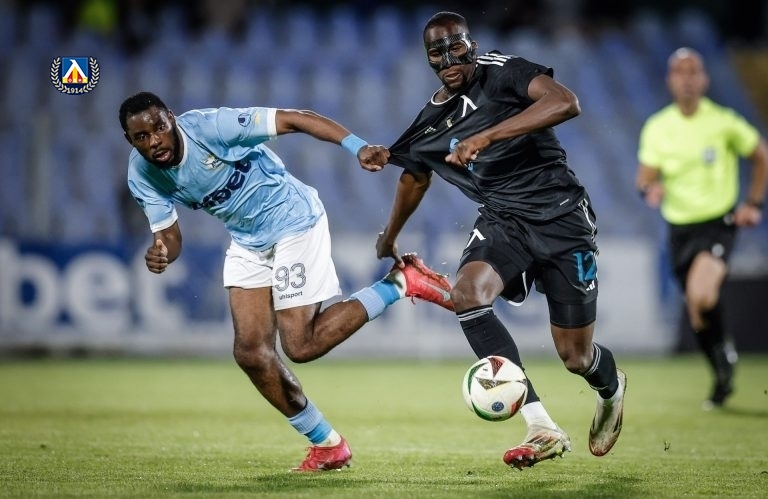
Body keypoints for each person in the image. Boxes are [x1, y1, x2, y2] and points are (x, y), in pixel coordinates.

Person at [118, 91, 454, 471]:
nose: (155, 141)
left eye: (159, 128)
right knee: (251, 353)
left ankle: (400, 283)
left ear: (172, 118)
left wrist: (357, 147)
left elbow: (296, 118)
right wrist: (162, 250)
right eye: (141, 137)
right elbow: (170, 236)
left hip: (294, 221)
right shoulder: (141, 174)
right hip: (248, 241)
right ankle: (327, 445)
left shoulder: (212, 128)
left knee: (301, 345)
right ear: (130, 141)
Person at [373, 11, 626, 469]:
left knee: (574, 355)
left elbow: (566, 102)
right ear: (427, 59)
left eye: (456, 47)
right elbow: (414, 176)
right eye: (436, 52)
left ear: (471, 45)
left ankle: (611, 389)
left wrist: (487, 136)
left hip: (562, 217)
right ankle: (541, 426)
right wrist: (390, 237)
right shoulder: (430, 123)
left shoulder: (502, 70)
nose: (449, 60)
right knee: (467, 294)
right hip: (503, 221)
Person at [635, 47, 768, 410]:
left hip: (718, 224)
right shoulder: (658, 126)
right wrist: (650, 189)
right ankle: (722, 368)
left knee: (702, 295)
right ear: (670, 80)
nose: (687, 79)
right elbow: (644, 177)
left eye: (693, 71)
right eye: (680, 72)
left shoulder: (723, 121)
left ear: (705, 79)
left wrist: (753, 204)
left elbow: (761, 155)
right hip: (679, 229)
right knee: (697, 311)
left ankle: (723, 358)